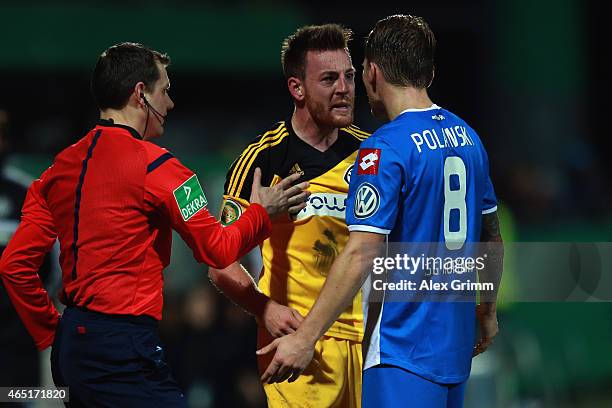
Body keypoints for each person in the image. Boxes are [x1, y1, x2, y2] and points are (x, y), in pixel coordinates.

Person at [0, 42, 308, 407]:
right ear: (140, 94)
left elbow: (14, 266)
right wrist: (262, 212)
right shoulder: (159, 168)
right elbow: (218, 249)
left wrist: (52, 333)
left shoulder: (55, 172)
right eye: (165, 91)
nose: (171, 103)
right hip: (124, 349)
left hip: (72, 350)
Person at [257, 15, 504, 408]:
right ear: (429, 70)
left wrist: (306, 338)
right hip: (454, 355)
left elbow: (361, 252)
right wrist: (488, 312)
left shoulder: (383, 148)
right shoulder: (469, 138)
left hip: (399, 353)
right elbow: (491, 237)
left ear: (371, 73)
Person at [209, 24, 369, 407]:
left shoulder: (372, 153)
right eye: (329, 79)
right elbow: (219, 261)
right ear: (297, 88)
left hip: (373, 344)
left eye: (348, 76)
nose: (344, 88)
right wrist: (263, 307)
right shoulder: (263, 161)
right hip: (300, 348)